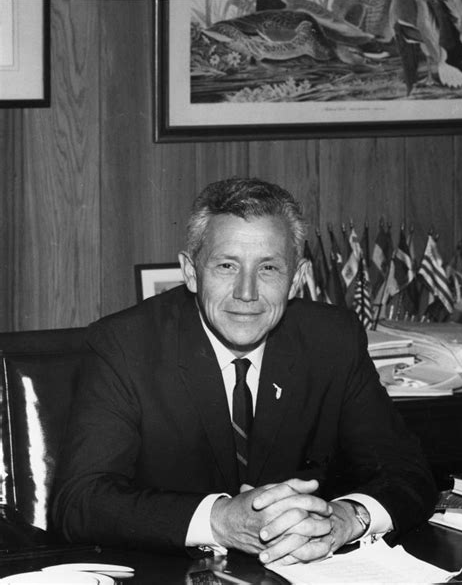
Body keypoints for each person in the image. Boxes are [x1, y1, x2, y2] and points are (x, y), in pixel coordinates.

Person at [52, 178, 437, 565]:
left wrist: (345, 518)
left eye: (268, 267)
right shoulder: (125, 345)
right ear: (190, 271)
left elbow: (408, 471)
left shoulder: (332, 340)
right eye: (226, 266)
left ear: (297, 278)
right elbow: (79, 501)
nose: (247, 293)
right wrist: (219, 520)